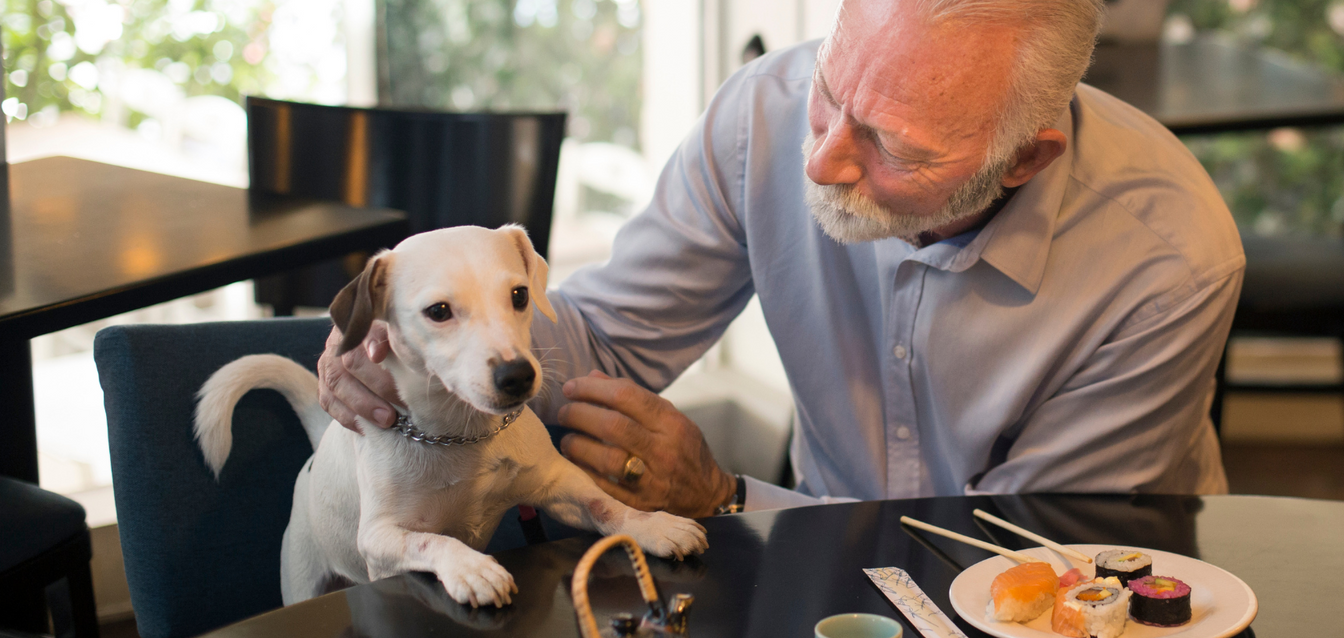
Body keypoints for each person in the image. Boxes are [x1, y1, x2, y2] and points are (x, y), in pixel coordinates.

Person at [318, 0, 1244, 519]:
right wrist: (400, 345)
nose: (822, 159)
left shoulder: (1168, 265)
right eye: (831, 92)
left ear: (1026, 157)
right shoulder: (764, 113)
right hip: (821, 557)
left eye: (892, 144)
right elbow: (597, 342)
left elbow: (1020, 564)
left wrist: (727, 503)